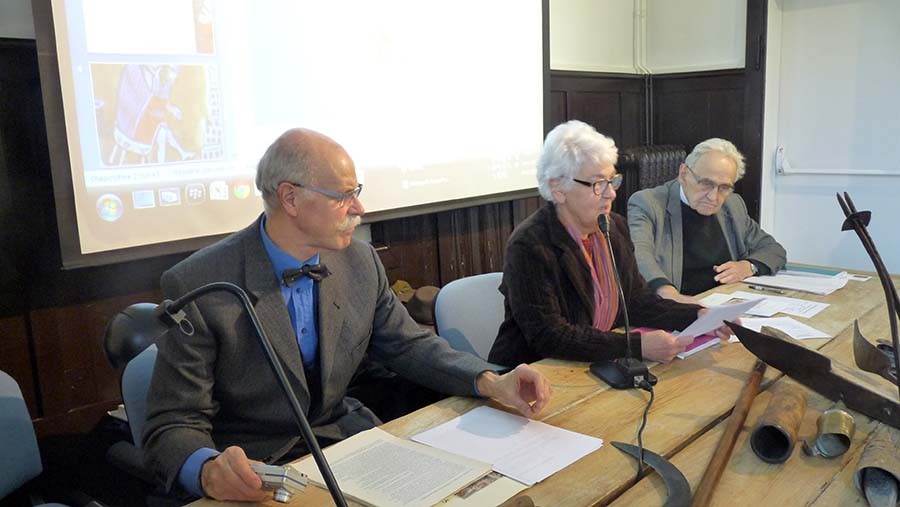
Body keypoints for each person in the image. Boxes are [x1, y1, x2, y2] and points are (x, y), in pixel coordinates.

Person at [142, 128, 552, 501]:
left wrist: (490, 380)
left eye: (356, 190)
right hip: (259, 468)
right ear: (290, 198)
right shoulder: (200, 283)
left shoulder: (359, 261)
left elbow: (408, 345)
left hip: (346, 443)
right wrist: (209, 470)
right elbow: (172, 423)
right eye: (342, 195)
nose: (358, 207)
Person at [488, 120, 729, 368]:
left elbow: (636, 302)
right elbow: (549, 335)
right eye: (597, 184)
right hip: (532, 373)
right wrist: (637, 346)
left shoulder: (613, 227)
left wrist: (698, 316)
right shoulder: (530, 245)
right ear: (558, 188)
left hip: (590, 364)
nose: (611, 193)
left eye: (612, 181)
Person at [627, 138, 786, 304]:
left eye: (724, 187)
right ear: (683, 174)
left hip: (726, 301)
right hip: (677, 307)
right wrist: (669, 294)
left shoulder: (733, 204)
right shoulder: (649, 203)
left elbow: (773, 249)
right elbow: (639, 255)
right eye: (706, 183)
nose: (713, 197)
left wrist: (748, 266)